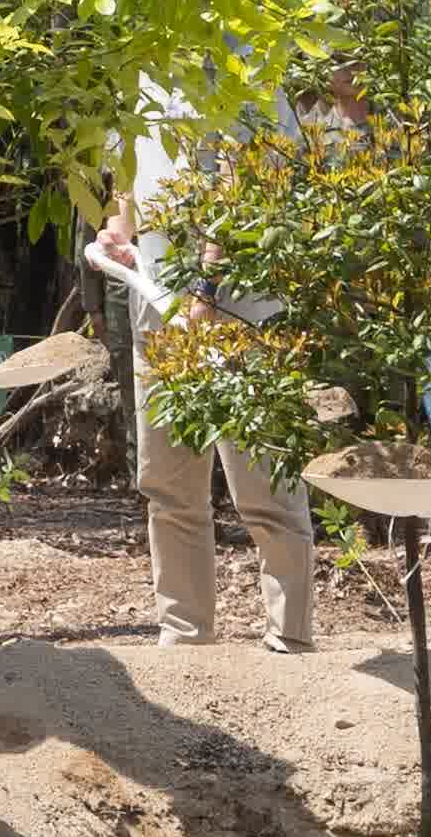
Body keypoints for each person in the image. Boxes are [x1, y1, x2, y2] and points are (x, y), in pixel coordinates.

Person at [92, 101, 317, 652]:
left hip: (244, 318)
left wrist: (205, 293)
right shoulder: (136, 71)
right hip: (158, 319)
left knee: (265, 489)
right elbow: (127, 183)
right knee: (168, 487)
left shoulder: (250, 69)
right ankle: (184, 637)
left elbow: (248, 185)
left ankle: (290, 638)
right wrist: (118, 234)